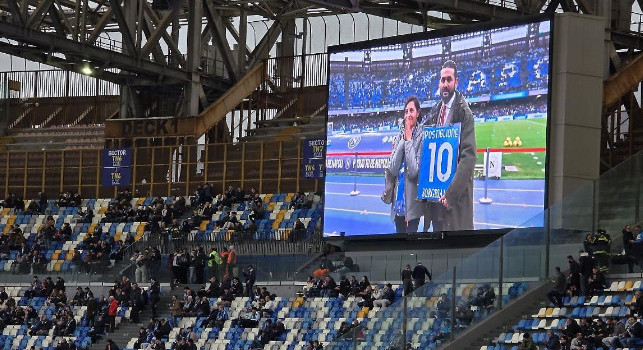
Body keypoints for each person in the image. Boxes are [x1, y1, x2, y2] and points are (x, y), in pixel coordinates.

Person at [422, 60, 476, 232]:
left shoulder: (464, 112)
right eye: (442, 80)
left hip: (454, 200)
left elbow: (468, 157)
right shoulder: (435, 111)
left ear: (456, 82)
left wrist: (451, 194)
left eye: (449, 80)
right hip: (435, 201)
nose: (445, 84)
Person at [386, 96, 424, 233]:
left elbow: (414, 172)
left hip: (412, 208)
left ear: (418, 113)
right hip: (398, 206)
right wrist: (402, 141)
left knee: (410, 247)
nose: (408, 115)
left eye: (411, 111)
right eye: (406, 111)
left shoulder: (422, 136)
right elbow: (393, 169)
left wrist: (408, 141)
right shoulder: (398, 135)